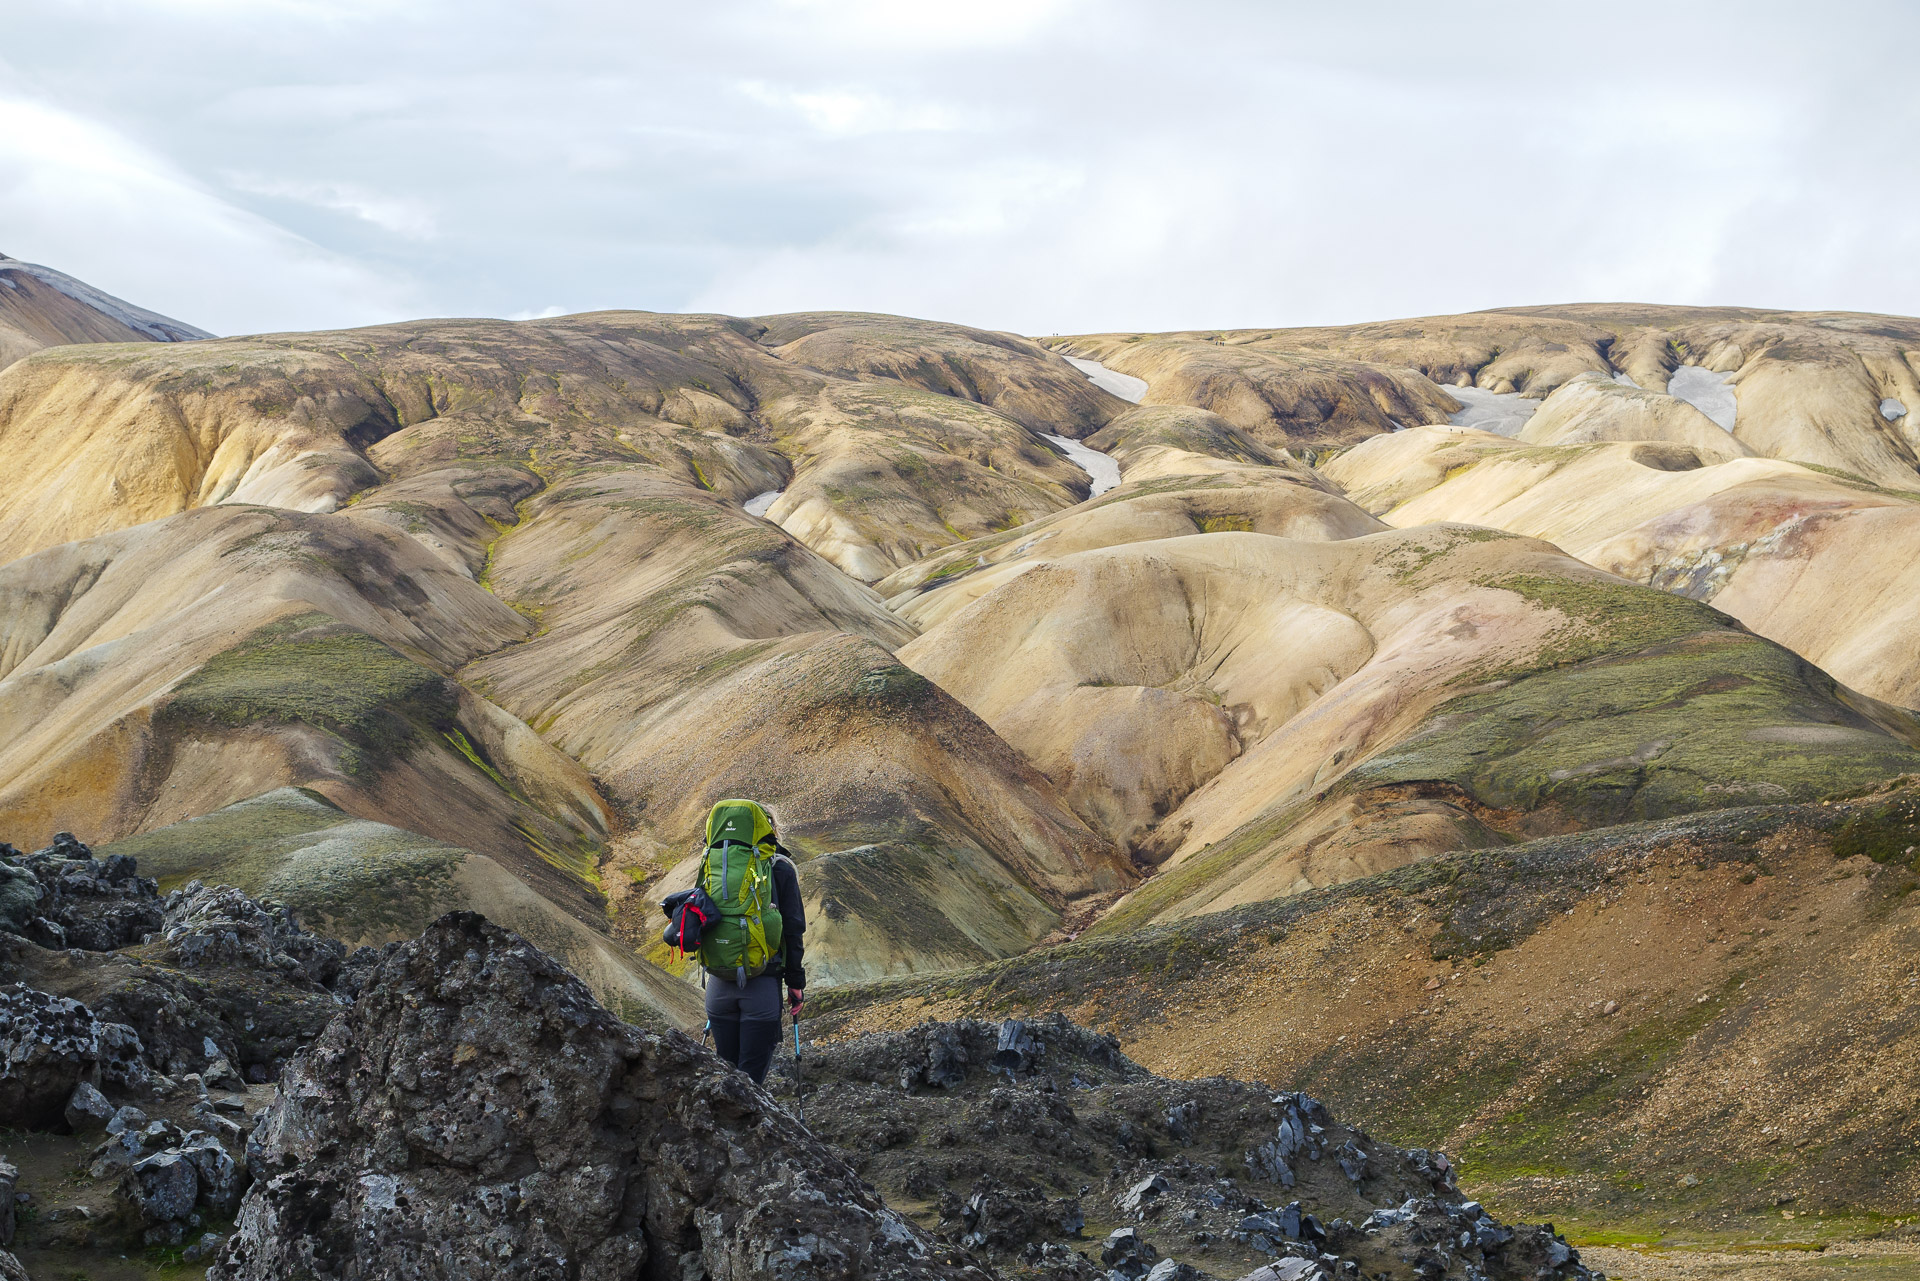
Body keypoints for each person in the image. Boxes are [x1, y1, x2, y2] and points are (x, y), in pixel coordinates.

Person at [701, 805, 805, 1084]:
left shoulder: (714, 864)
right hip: (762, 988)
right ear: (770, 830)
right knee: (750, 1084)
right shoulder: (780, 868)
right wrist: (796, 984)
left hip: (718, 989)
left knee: (725, 1072)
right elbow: (793, 930)